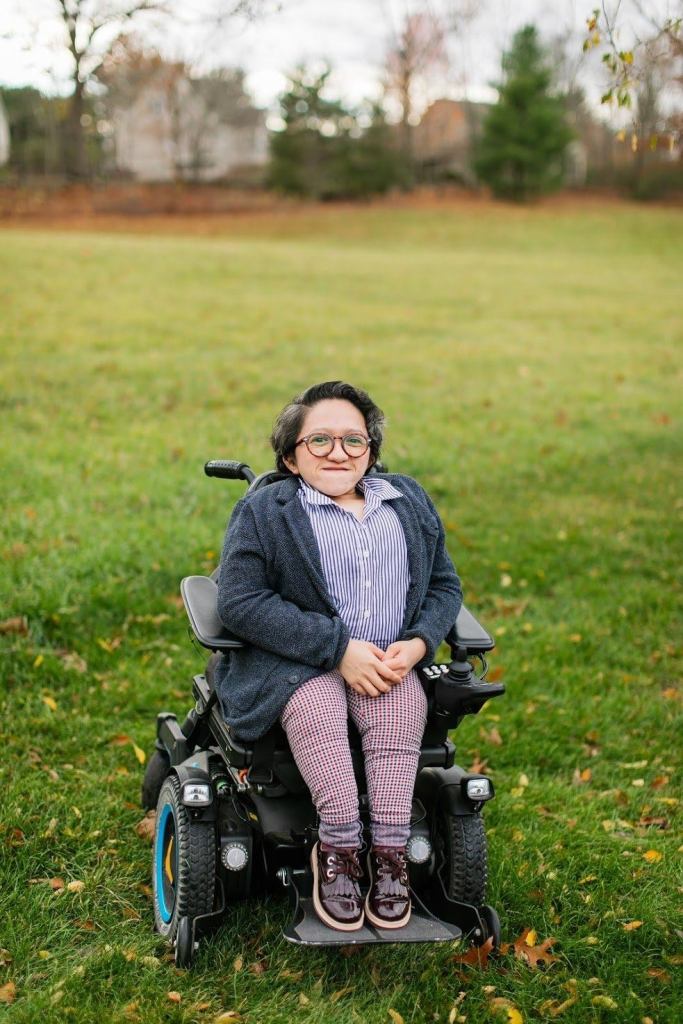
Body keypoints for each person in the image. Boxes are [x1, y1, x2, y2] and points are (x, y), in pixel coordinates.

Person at [215, 381, 462, 932]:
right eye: (320, 439)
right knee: (320, 712)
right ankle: (340, 848)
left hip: (387, 660)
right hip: (300, 663)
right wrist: (337, 648)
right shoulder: (267, 509)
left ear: (371, 452)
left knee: (400, 714)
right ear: (290, 455)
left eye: (354, 440)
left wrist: (419, 641)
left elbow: (444, 586)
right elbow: (239, 600)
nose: (338, 452)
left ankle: (392, 855)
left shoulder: (406, 501)